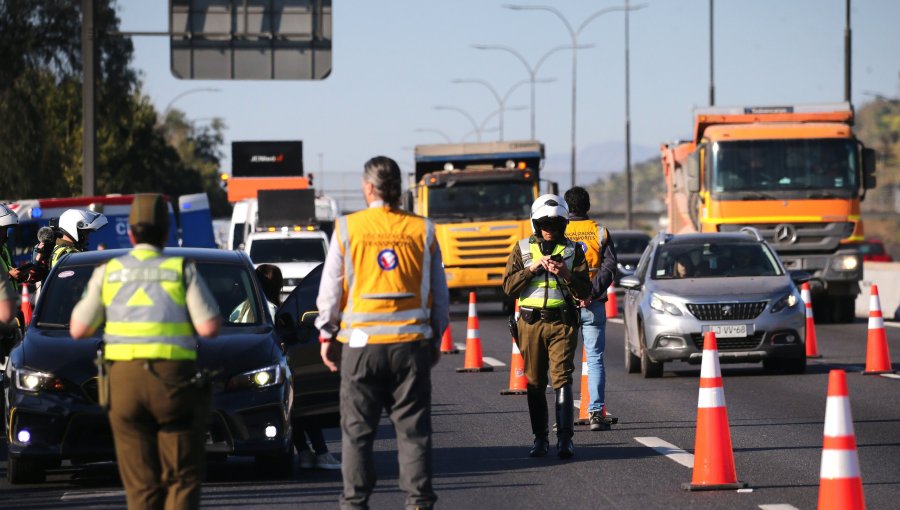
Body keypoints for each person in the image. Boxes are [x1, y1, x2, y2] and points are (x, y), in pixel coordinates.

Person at [69, 194, 221, 510]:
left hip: (123, 383)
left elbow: (78, 329)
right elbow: (209, 328)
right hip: (174, 383)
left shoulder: (108, 271)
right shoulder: (180, 269)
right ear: (166, 233)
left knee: (140, 485)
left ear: (132, 233)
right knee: (182, 477)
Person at [316, 156, 449, 510]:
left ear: (367, 187)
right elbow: (440, 293)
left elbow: (329, 293)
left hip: (360, 348)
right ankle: (419, 502)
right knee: (413, 432)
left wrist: (326, 335)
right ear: (397, 189)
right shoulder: (423, 230)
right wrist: (436, 336)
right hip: (411, 345)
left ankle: (354, 503)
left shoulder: (347, 228)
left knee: (357, 433)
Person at [502, 194, 591, 459]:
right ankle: (540, 439)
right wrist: (531, 270)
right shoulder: (522, 249)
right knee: (535, 381)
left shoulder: (574, 251)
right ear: (535, 223)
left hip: (562, 323)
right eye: (544, 224)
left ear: (564, 224)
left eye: (555, 225)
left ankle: (565, 440)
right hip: (530, 323)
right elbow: (508, 287)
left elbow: (587, 288)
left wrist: (566, 274)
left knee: (563, 378)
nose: (549, 230)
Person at [255, 263, 341, 470]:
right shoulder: (276, 310)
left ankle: (303, 451)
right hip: (281, 364)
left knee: (291, 411)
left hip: (259, 369)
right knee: (305, 409)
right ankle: (321, 452)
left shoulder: (250, 308)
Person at [562, 187, 617, 432]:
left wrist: (574, 293)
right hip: (593, 304)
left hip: (565, 305)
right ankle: (595, 413)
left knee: (562, 361)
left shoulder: (558, 231)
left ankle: (562, 416)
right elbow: (609, 267)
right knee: (594, 359)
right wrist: (590, 293)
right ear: (588, 206)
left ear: (567, 207)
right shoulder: (600, 231)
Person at [0, 204, 22, 287]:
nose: (4, 233)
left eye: (5, 229)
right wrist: (9, 275)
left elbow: (12, 269)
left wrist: (24, 275)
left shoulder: (4, 249)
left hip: (10, 299)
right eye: (2, 229)